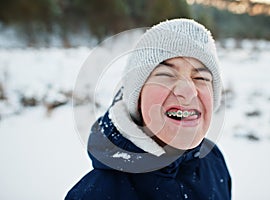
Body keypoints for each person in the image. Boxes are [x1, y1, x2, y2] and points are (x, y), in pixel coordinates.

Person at [65, 18, 231, 200]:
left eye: (201, 78)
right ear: (137, 97)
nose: (188, 92)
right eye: (166, 75)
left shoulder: (214, 163)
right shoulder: (96, 195)